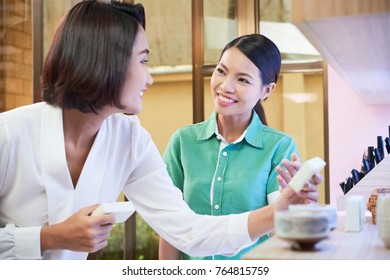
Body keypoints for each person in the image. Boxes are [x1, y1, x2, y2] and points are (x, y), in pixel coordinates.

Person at [0, 1, 320, 260]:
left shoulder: (131, 140)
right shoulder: (9, 133)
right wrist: (49, 238)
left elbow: (187, 230)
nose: (149, 78)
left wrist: (279, 209)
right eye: (143, 61)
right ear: (105, 61)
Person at [159, 34, 320, 260]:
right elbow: (169, 227)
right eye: (221, 71)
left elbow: (280, 233)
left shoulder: (279, 147)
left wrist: (296, 209)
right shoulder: (182, 142)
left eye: (243, 80)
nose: (226, 86)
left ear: (267, 90)